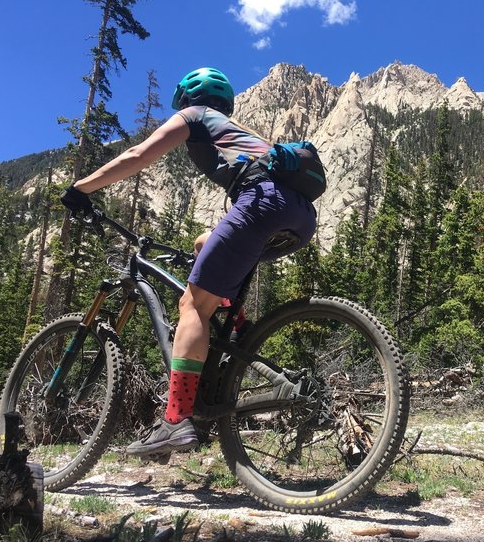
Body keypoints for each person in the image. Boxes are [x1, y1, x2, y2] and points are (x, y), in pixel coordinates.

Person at [59, 67, 317, 457]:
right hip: (300, 218)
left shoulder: (194, 116)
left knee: (191, 305)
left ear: (187, 98)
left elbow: (137, 155)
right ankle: (237, 333)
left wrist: (82, 188)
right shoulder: (238, 129)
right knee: (203, 244)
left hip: (261, 203)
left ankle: (176, 420)